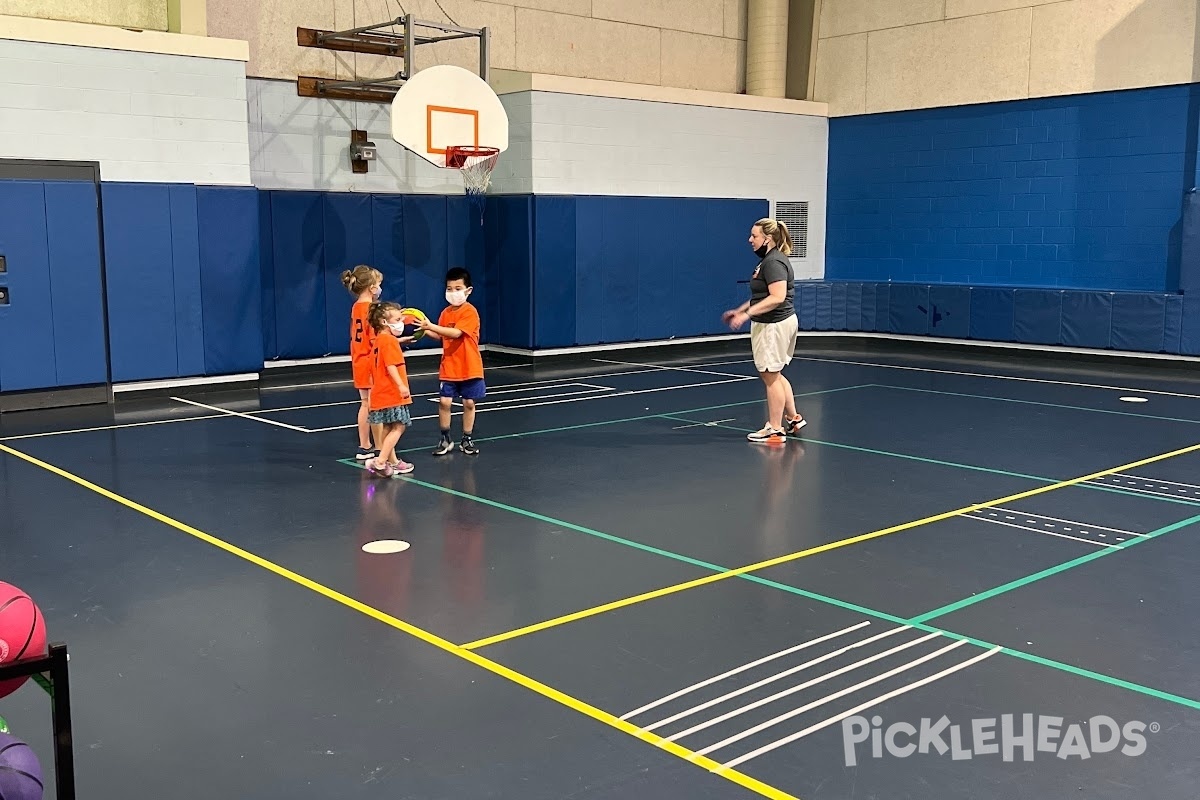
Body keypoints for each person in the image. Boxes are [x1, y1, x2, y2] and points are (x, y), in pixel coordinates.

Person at [723, 218, 806, 444]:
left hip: (773, 325)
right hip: (773, 324)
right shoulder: (769, 261)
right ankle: (794, 418)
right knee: (775, 374)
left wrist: (746, 316)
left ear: (767, 239)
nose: (750, 240)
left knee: (770, 376)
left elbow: (777, 297)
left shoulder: (774, 262)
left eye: (754, 236)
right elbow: (761, 296)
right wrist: (740, 310)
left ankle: (775, 430)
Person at [416, 267, 485, 456]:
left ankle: (467, 438)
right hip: (449, 367)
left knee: (469, 402)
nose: (453, 292)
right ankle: (445, 438)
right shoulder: (445, 313)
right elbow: (440, 335)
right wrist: (421, 329)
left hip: (470, 366)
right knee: (444, 402)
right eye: (449, 288)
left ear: (468, 291)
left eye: (457, 288)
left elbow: (456, 333)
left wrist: (431, 325)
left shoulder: (470, 312)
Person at [365, 302, 415, 477]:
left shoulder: (379, 341)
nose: (401, 322)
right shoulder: (389, 341)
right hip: (392, 392)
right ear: (385, 322)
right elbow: (391, 365)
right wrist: (401, 385)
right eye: (398, 319)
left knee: (388, 426)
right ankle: (380, 462)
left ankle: (383, 459)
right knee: (399, 427)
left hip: (381, 392)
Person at [342, 265, 384, 461]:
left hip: (358, 360)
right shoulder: (371, 309)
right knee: (375, 404)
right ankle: (380, 447)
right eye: (379, 285)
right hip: (371, 360)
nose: (380, 288)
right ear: (371, 287)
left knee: (365, 403)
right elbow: (376, 339)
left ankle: (364, 445)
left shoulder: (356, 307)